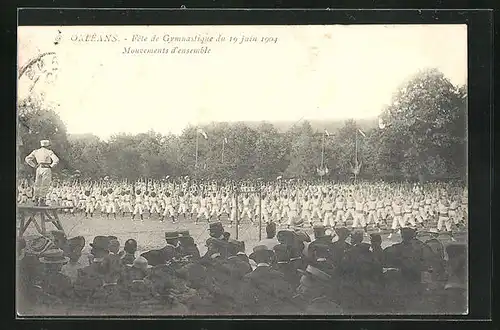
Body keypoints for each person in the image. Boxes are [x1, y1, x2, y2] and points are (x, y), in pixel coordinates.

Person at [24, 140, 60, 206]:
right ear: (48, 146)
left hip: (38, 168)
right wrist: (51, 166)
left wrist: (34, 165)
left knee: (37, 184)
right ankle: (42, 200)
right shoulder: (49, 152)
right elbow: (56, 160)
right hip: (46, 168)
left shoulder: (36, 151)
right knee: (45, 184)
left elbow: (27, 159)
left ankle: (36, 200)